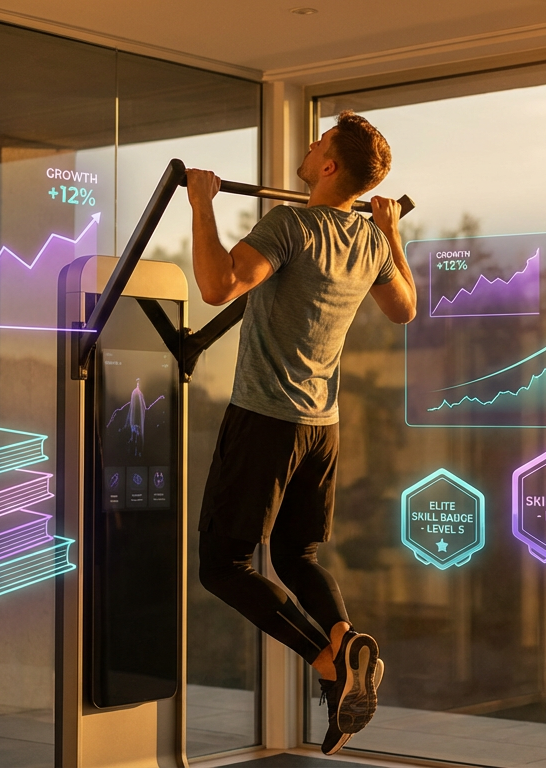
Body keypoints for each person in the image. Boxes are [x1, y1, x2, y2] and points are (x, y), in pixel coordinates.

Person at [185, 110, 416, 755]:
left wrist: (203, 204)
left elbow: (216, 285)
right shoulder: (367, 243)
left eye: (317, 145)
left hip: (265, 421)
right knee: (296, 556)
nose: (308, 151)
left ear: (330, 166)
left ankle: (326, 659)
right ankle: (346, 640)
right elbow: (405, 309)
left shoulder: (290, 224)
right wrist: (390, 232)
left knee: (222, 564)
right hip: (321, 428)